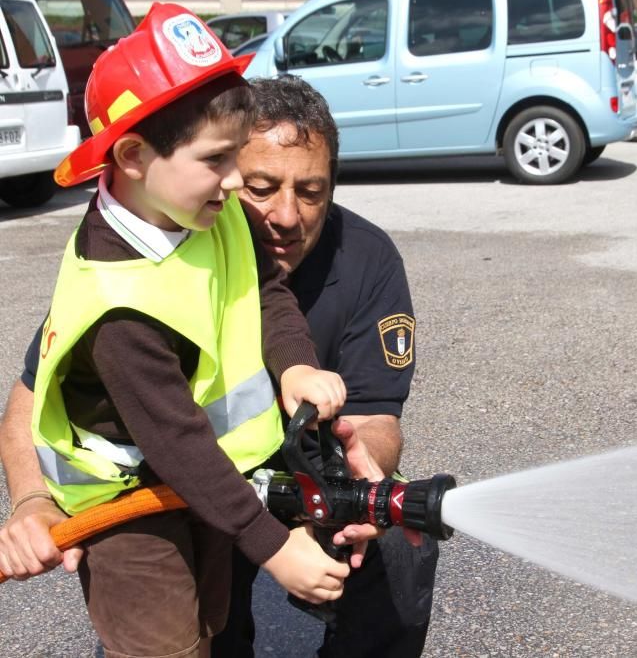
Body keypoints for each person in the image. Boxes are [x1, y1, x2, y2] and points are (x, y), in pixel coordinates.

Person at [0, 74, 439, 658]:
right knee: (189, 635)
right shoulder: (158, 257)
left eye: (311, 191)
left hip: (288, 469)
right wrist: (33, 502)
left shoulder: (364, 256)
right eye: (258, 185)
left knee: (402, 539)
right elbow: (32, 395)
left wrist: (341, 498)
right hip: (172, 486)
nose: (286, 215)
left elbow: (376, 416)